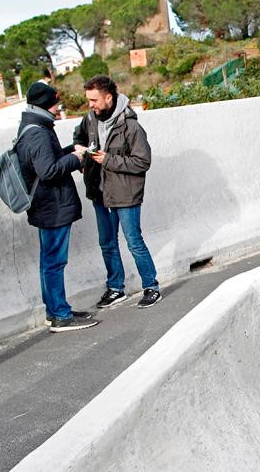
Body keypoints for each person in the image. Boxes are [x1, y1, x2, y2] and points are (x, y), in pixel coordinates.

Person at [16, 79, 98, 332]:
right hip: (52, 207)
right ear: (45, 105)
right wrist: (75, 159)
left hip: (45, 206)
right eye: (55, 105)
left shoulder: (32, 127)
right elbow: (48, 170)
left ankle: (55, 311)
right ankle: (61, 316)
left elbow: (45, 161)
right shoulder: (38, 133)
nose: (57, 109)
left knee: (48, 261)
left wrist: (71, 149)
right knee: (54, 262)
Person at [73, 75, 161, 309]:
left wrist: (108, 160)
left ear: (108, 98)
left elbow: (143, 162)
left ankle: (151, 286)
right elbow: (78, 138)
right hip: (99, 194)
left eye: (94, 99)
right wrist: (82, 157)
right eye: (88, 100)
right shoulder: (89, 120)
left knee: (134, 242)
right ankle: (115, 288)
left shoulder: (131, 125)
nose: (90, 104)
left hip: (125, 195)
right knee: (107, 243)